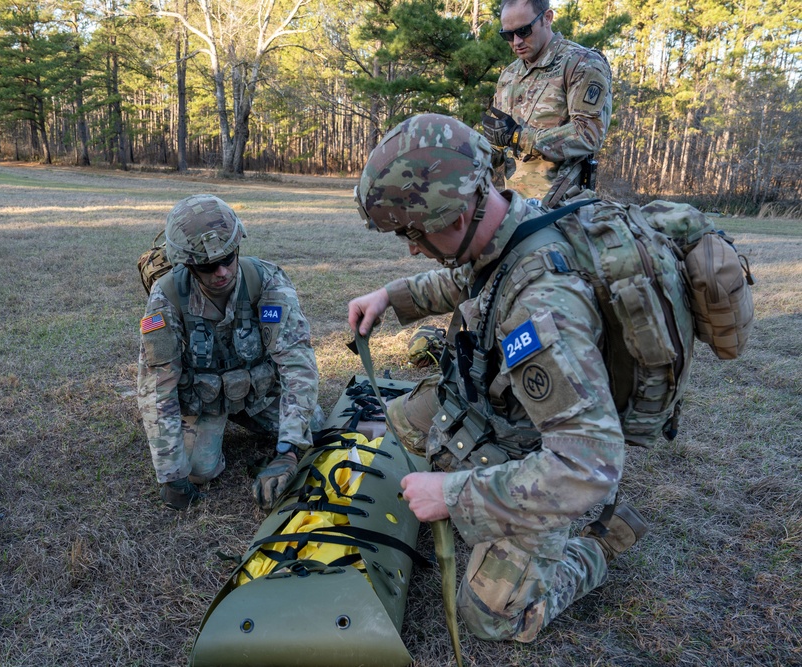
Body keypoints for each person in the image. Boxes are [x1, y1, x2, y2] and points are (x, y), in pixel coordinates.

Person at [348, 113, 667, 642]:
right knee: (401, 427)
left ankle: (603, 535)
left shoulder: (541, 307)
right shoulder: (510, 221)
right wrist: (390, 296)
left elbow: (588, 464)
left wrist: (453, 494)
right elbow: (465, 273)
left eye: (413, 234)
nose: (410, 247)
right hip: (503, 415)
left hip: (550, 457)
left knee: (494, 616)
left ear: (454, 216)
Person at [137, 194, 321, 512]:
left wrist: (289, 449)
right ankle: (209, 435)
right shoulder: (166, 298)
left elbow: (297, 362)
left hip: (259, 390)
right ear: (188, 264)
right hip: (205, 399)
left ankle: (261, 427)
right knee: (197, 471)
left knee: (313, 429)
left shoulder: (267, 283)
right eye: (208, 266)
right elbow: (157, 386)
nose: (221, 272)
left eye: (229, 258)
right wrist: (170, 473)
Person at [481, 0, 612, 207]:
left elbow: (590, 134)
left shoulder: (581, 63)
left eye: (524, 31)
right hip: (514, 207)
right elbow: (498, 144)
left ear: (547, 18)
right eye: (507, 35)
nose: (516, 42)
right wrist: (464, 157)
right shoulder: (509, 75)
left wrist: (518, 136)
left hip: (561, 209)